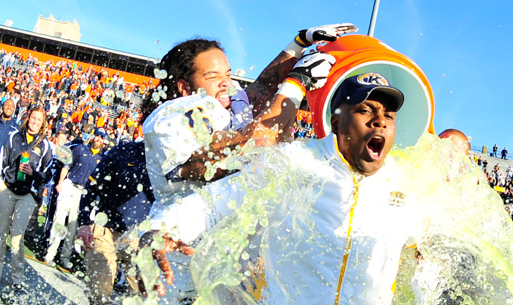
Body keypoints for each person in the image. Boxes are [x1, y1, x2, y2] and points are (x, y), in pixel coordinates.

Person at [141, 72, 420, 304]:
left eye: (389, 115)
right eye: (365, 110)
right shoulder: (296, 161)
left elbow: (428, 249)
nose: (380, 120)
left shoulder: (407, 185)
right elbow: (215, 202)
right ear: (336, 121)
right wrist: (162, 228)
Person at [138, 24, 354, 301]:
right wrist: (295, 85)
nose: (226, 83)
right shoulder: (178, 112)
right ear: (184, 87)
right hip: (183, 257)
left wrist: (299, 43)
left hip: (224, 259)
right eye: (213, 76)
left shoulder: (220, 103)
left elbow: (261, 88)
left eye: (227, 74)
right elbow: (254, 144)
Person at [75, 140, 154, 305]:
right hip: (105, 229)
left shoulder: (169, 160)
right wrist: (83, 222)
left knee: (141, 297)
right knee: (99, 295)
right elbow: (92, 184)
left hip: (140, 237)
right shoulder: (123, 150)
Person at [0, 106, 53, 290]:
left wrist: (34, 173)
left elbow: (47, 174)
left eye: (39, 120)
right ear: (28, 118)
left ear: (43, 123)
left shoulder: (45, 145)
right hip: (8, 189)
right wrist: (2, 182)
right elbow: (3, 161)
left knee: (16, 236)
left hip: (27, 195)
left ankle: (17, 278)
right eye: (33, 118)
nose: (35, 122)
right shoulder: (14, 136)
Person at [43, 127, 107, 268]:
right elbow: (66, 166)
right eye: (97, 136)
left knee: (73, 227)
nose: (98, 139)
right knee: (59, 220)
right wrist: (60, 183)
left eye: (101, 137)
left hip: (83, 194)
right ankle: (50, 253)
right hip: (70, 185)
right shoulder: (80, 149)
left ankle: (65, 257)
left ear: (104, 140)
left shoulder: (103, 159)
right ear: (93, 136)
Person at [0, 98, 18, 175]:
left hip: (3, 173)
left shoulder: (16, 129)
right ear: (2, 107)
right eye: (7, 105)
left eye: (12, 106)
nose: (9, 107)